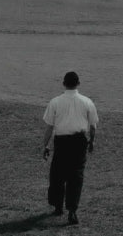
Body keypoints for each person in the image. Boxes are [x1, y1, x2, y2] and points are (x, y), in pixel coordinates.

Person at [42, 71, 98, 225]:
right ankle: (72, 210)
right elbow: (93, 126)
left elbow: (49, 127)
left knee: (57, 174)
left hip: (61, 142)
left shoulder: (55, 102)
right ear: (78, 83)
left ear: (64, 84)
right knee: (76, 176)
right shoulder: (87, 102)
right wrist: (91, 142)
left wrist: (45, 145)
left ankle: (58, 205)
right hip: (79, 142)